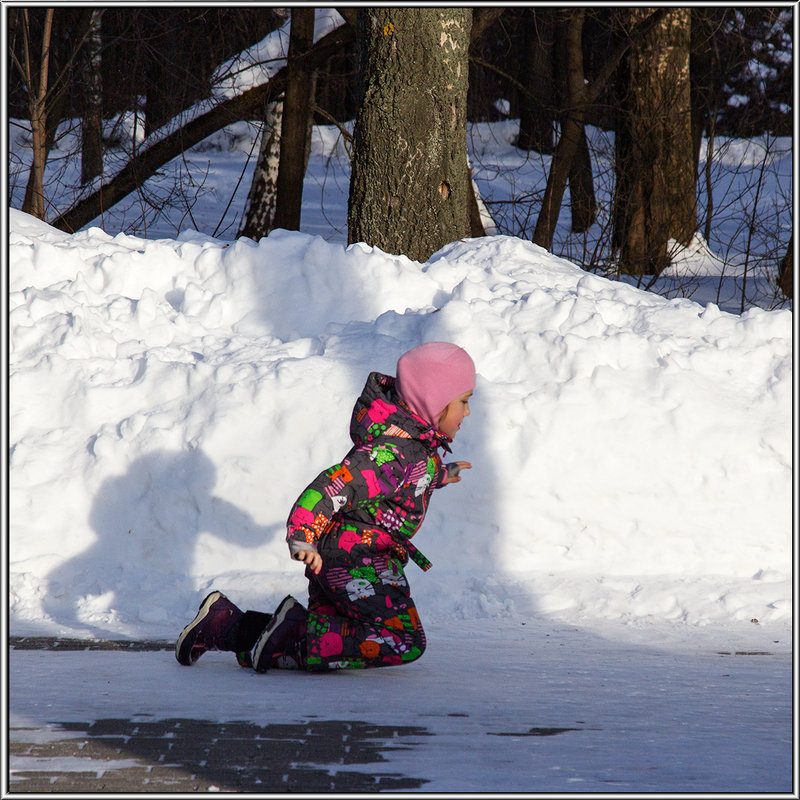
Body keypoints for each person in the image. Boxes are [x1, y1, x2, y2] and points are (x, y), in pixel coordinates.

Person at [175, 341, 475, 673]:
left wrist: (441, 475)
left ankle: (225, 625)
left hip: (344, 553)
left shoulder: (412, 447)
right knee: (401, 638)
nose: (467, 412)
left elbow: (402, 484)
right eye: (463, 401)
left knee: (330, 634)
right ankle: (284, 636)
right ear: (433, 402)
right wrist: (302, 533)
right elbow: (334, 485)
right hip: (357, 558)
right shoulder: (396, 452)